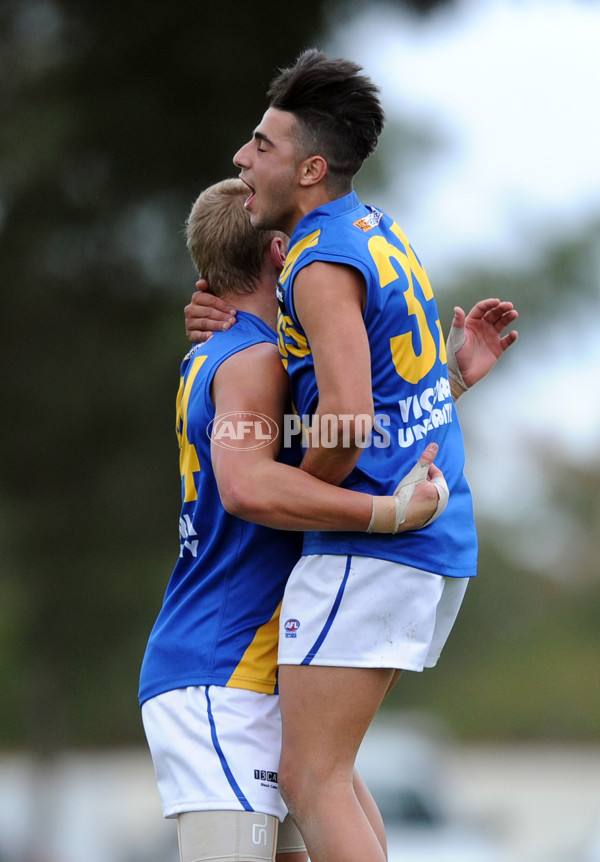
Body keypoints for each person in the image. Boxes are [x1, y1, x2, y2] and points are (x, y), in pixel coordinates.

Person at [184, 50, 518, 862]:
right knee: (328, 773)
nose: (242, 155)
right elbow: (379, 401)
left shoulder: (318, 260)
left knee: (311, 779)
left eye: (262, 144)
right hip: (427, 541)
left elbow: (346, 420)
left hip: (377, 550)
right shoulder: (373, 227)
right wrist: (450, 379)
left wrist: (284, 493)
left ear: (310, 168)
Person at [139, 178, 451, 862]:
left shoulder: (248, 354)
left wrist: (447, 379)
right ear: (282, 255)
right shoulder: (252, 360)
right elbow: (251, 484)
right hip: (222, 674)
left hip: (256, 680)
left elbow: (342, 427)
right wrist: (386, 513)